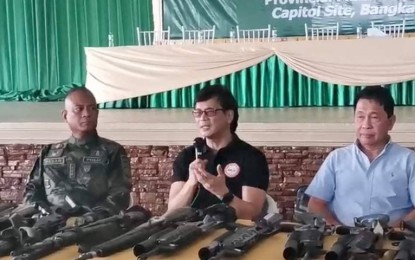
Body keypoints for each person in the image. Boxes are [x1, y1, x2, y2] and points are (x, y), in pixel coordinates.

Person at [306, 86, 415, 227]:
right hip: (342, 241)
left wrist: (395, 231)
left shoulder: (409, 160)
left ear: (391, 122)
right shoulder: (337, 158)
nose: (366, 125)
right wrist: (336, 229)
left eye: (374, 117)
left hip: (394, 242)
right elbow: (316, 204)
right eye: (360, 116)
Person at [24, 87, 132, 223]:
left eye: (92, 108)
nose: (87, 114)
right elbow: (32, 190)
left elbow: (119, 195)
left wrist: (91, 218)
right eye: (78, 109)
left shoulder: (112, 151)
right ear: (65, 115)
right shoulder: (48, 152)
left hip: (94, 227)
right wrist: (45, 212)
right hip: (48, 223)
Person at [167, 85, 269, 220]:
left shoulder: (251, 157)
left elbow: (253, 214)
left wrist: (223, 193)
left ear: (229, 116)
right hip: (189, 232)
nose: (202, 118)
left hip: (232, 233)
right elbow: (171, 213)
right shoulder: (187, 156)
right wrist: (191, 182)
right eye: (198, 113)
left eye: (209, 112)